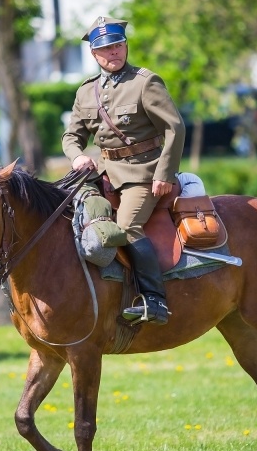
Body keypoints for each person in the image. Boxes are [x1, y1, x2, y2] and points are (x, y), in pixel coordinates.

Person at [62, 16, 186, 325]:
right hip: (103, 173)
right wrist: (77, 157)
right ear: (94, 54)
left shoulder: (146, 82)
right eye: (105, 48)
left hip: (143, 173)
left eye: (117, 45)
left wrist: (164, 174)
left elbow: (175, 128)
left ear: (125, 46)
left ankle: (155, 301)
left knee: (128, 228)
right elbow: (71, 136)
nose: (113, 52)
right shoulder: (85, 92)